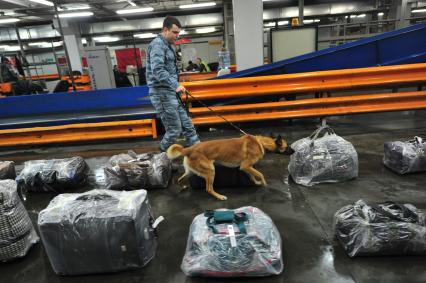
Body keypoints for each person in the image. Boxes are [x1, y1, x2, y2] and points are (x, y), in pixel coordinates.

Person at [146, 15, 200, 152]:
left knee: (188, 125)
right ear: (165, 30)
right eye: (175, 32)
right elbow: (158, 71)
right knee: (174, 130)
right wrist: (175, 85)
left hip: (170, 92)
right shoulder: (158, 45)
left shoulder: (169, 46)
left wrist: (175, 85)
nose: (177, 36)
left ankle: (199, 152)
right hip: (162, 94)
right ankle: (162, 157)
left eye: (178, 33)